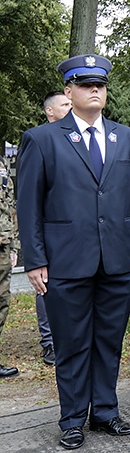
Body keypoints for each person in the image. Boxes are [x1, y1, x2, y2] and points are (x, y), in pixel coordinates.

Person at [18, 55, 130, 449]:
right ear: (68, 92)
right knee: (73, 341)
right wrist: (35, 259)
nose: (95, 91)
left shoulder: (125, 138)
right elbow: (29, 206)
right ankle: (73, 417)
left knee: (109, 339)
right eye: (86, 84)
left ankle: (105, 411)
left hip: (118, 258)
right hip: (65, 260)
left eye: (101, 85)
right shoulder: (42, 139)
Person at [34, 92, 71, 365]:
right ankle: (49, 341)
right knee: (45, 287)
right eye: (65, 105)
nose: (71, 108)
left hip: (75, 234)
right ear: (50, 112)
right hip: (50, 233)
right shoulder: (39, 140)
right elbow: (31, 200)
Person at [0, 154, 18, 378]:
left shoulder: (2, 164)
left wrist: (14, 246)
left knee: (2, 304)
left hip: (4, 245)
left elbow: (9, 206)